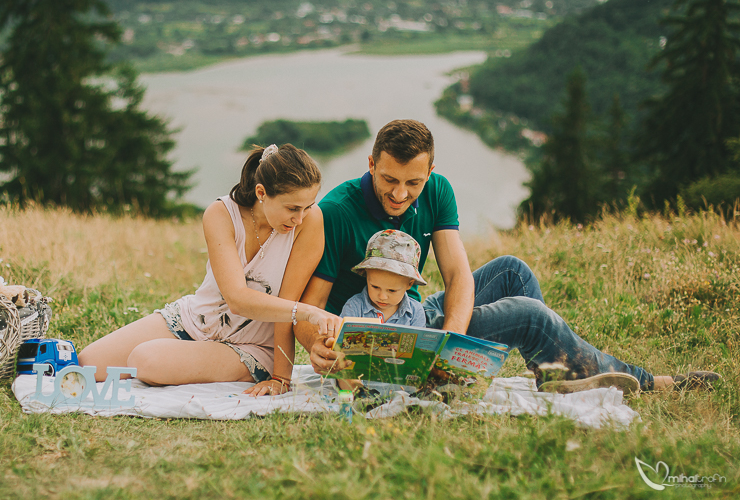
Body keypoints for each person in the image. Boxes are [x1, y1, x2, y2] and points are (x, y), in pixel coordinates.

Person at [294, 119, 720, 394]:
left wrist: (450, 344)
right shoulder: (335, 211)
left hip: (417, 316)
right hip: (381, 346)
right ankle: (645, 382)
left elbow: (458, 274)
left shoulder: (438, 189)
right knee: (530, 316)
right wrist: (318, 348)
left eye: (414, 183)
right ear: (370, 164)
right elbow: (306, 308)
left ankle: (554, 371)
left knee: (513, 271)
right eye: (389, 179)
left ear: (430, 172)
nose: (400, 194)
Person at [79, 143, 344, 397]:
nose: (300, 218)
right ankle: (194, 358)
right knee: (88, 363)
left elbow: (285, 307)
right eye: (292, 208)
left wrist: (280, 378)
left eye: (307, 206)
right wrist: (310, 312)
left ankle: (235, 368)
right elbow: (237, 300)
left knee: (144, 359)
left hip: (250, 346)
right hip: (196, 321)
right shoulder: (220, 214)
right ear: (262, 193)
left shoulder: (310, 223)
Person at [339, 229, 427, 327]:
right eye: (375, 287)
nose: (382, 297)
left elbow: (420, 341)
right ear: (366, 275)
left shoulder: (415, 312)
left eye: (392, 290)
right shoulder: (355, 306)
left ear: (409, 284)